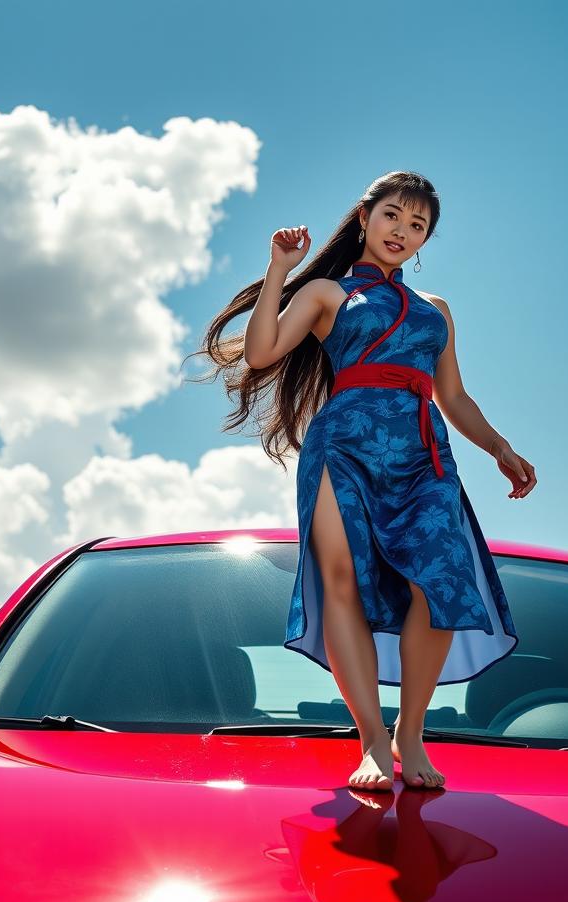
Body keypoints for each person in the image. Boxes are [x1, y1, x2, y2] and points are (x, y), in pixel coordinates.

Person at [191, 171, 536, 792]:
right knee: (342, 582)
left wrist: (499, 448)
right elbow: (264, 351)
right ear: (364, 218)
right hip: (342, 446)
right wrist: (279, 267)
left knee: (439, 579)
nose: (402, 231)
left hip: (424, 453)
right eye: (393, 216)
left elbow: (453, 395)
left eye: (417, 225)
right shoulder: (325, 292)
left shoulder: (437, 311)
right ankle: (373, 741)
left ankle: (411, 732)